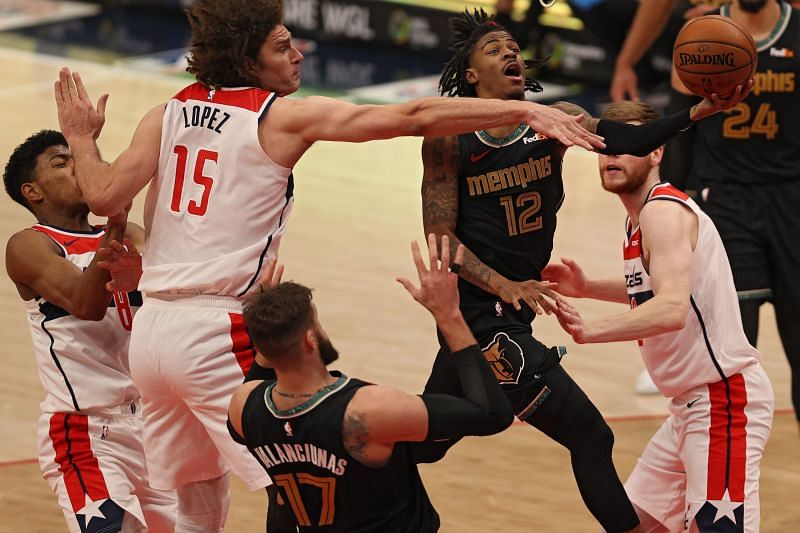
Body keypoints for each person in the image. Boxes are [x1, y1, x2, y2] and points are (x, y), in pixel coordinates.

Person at [52, 0, 608, 529]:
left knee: (199, 500)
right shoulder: (279, 119)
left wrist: (79, 137)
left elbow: (100, 195)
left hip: (150, 336)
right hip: (217, 330)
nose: (299, 54)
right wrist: (523, 107)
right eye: (282, 46)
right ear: (249, 59)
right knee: (299, 479)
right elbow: (412, 115)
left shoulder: (165, 111)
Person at [419, 8, 751, 532]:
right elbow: (441, 238)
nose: (510, 52)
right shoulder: (448, 138)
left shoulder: (556, 122)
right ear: (470, 77)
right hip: (485, 317)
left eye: (513, 46)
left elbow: (628, 139)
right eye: (494, 49)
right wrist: (503, 283)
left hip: (508, 315)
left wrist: (699, 111)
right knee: (592, 438)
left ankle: (340, 445)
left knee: (424, 446)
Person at [545, 100, 774, 532]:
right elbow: (661, 288)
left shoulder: (662, 212)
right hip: (688, 407)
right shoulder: (640, 218)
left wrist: (591, 331)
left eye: (628, 143)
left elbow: (670, 309)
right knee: (636, 523)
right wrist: (588, 287)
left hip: (723, 401)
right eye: (606, 145)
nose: (613, 154)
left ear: (656, 152)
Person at [228, 235, 514, 531]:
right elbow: (492, 414)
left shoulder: (244, 408)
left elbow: (258, 379)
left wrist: (267, 326)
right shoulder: (367, 411)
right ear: (310, 340)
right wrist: (449, 315)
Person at [3, 130, 176, 532]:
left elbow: (170, 300)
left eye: (77, 159)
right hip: (84, 432)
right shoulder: (31, 246)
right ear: (33, 191)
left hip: (152, 425)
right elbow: (86, 305)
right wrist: (114, 219)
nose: (77, 168)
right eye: (62, 163)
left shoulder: (131, 234)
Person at [690, 0, 800, 431]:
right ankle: (726, 459)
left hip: (791, 196)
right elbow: (684, 118)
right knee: (734, 342)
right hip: (726, 197)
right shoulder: (704, 33)